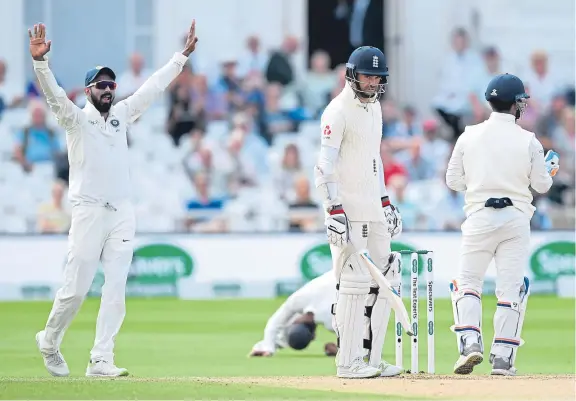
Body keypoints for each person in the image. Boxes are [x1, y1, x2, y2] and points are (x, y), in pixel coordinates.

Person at [29, 21, 198, 377]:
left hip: (122, 211)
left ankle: (101, 359)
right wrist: (41, 64)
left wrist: (180, 58)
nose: (108, 89)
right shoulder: (75, 120)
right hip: (88, 211)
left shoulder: (121, 115)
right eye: (101, 85)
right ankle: (49, 340)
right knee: (75, 291)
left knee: (116, 287)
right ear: (89, 90)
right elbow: (54, 96)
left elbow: (151, 89)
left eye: (111, 84)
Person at [446, 73, 559, 376]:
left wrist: (481, 181)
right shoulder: (529, 141)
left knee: (467, 283)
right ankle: (502, 358)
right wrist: (550, 169)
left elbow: (453, 180)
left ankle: (470, 344)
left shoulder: (468, 135)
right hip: (515, 220)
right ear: (517, 104)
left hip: (480, 217)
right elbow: (542, 185)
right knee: (511, 289)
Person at [313, 46, 403, 379]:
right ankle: (347, 362)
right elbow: (323, 166)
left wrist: (384, 200)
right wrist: (333, 209)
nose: (373, 83)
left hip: (372, 207)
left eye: (378, 78)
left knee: (388, 278)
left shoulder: (375, 108)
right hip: (347, 211)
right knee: (353, 283)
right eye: (367, 76)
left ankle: (373, 358)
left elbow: (374, 160)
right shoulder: (336, 111)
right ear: (352, 75)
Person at [248, 271, 338, 357]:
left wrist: (268, 348)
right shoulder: (299, 299)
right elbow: (275, 323)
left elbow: (275, 323)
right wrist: (268, 347)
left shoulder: (330, 322)